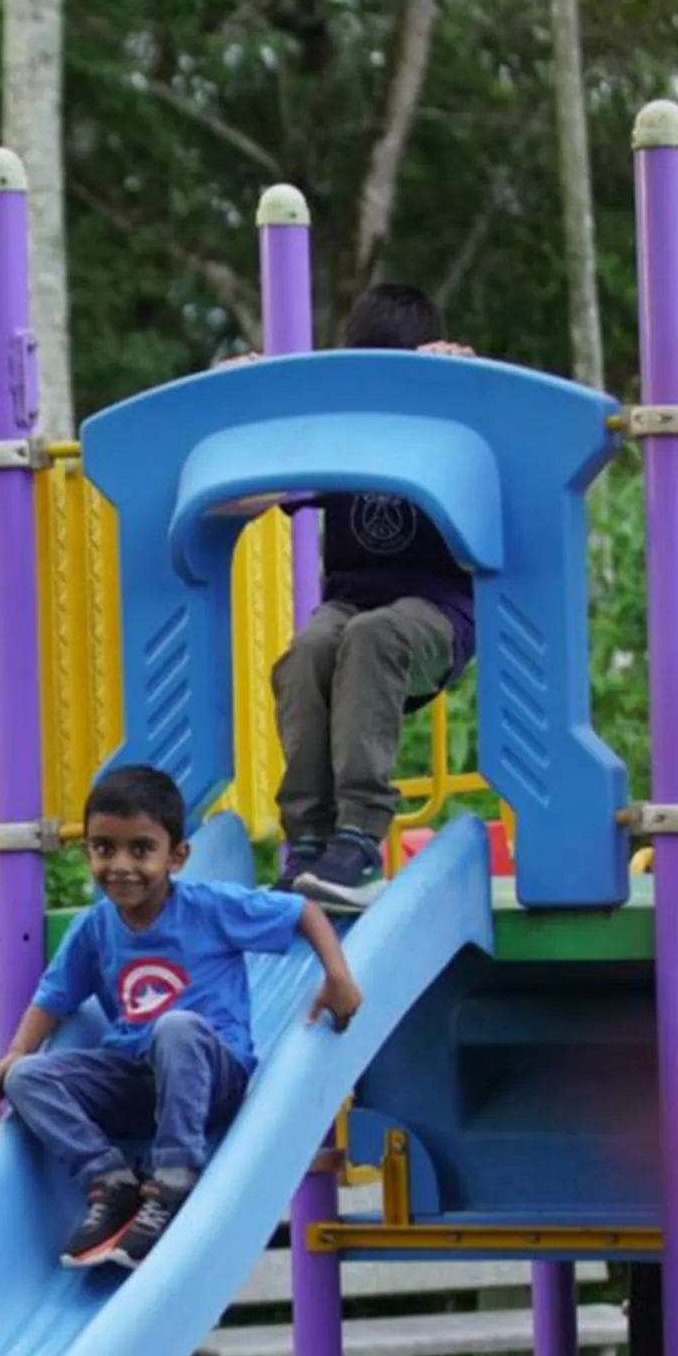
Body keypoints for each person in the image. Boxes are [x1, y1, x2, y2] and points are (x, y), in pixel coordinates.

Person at [0, 762, 362, 1271]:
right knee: (26, 1076)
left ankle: (174, 1179)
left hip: (210, 1078)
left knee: (175, 1026)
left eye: (141, 850)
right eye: (104, 848)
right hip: (138, 1082)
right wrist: (13, 1054)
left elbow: (302, 912)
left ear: (177, 857)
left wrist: (337, 974)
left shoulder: (208, 907)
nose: (121, 865)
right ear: (87, 851)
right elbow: (53, 998)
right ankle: (111, 1180)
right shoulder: (94, 928)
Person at [269, 281, 476, 910]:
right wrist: (237, 397)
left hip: (437, 612)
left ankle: (359, 831)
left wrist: (465, 379)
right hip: (353, 601)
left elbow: (508, 425)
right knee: (307, 648)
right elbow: (263, 484)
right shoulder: (345, 432)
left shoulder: (450, 419)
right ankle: (307, 837)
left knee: (371, 637)